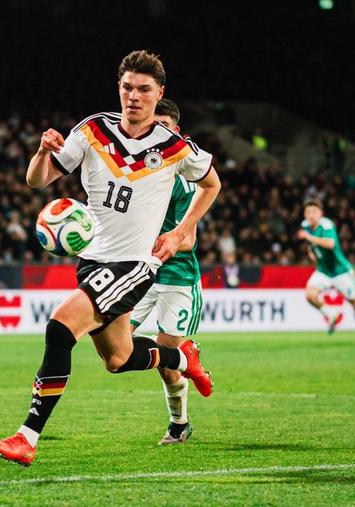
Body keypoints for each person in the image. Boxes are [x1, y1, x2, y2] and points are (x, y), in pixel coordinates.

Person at [0, 50, 221, 466]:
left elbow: (211, 184)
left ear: (159, 94)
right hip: (93, 261)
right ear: (119, 87)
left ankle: (27, 437)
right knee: (118, 358)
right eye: (128, 87)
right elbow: (38, 181)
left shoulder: (174, 147)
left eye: (144, 89)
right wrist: (41, 153)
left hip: (134, 265)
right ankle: (183, 357)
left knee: (60, 328)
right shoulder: (93, 130)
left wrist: (180, 231)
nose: (134, 96)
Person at [129, 98, 206, 445]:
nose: (157, 133)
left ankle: (179, 424)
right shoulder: (138, 171)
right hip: (142, 274)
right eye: (152, 127)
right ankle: (186, 356)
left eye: (163, 127)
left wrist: (153, 244)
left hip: (177, 278)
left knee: (165, 364)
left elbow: (188, 240)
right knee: (111, 343)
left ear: (176, 132)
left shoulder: (185, 181)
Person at [297, 199, 355, 344]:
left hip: (340, 271)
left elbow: (330, 244)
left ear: (321, 213)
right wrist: (311, 252)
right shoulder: (305, 226)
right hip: (323, 271)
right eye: (308, 212)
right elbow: (310, 245)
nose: (311, 215)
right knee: (310, 295)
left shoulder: (327, 225)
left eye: (314, 212)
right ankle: (331, 314)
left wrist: (309, 238)